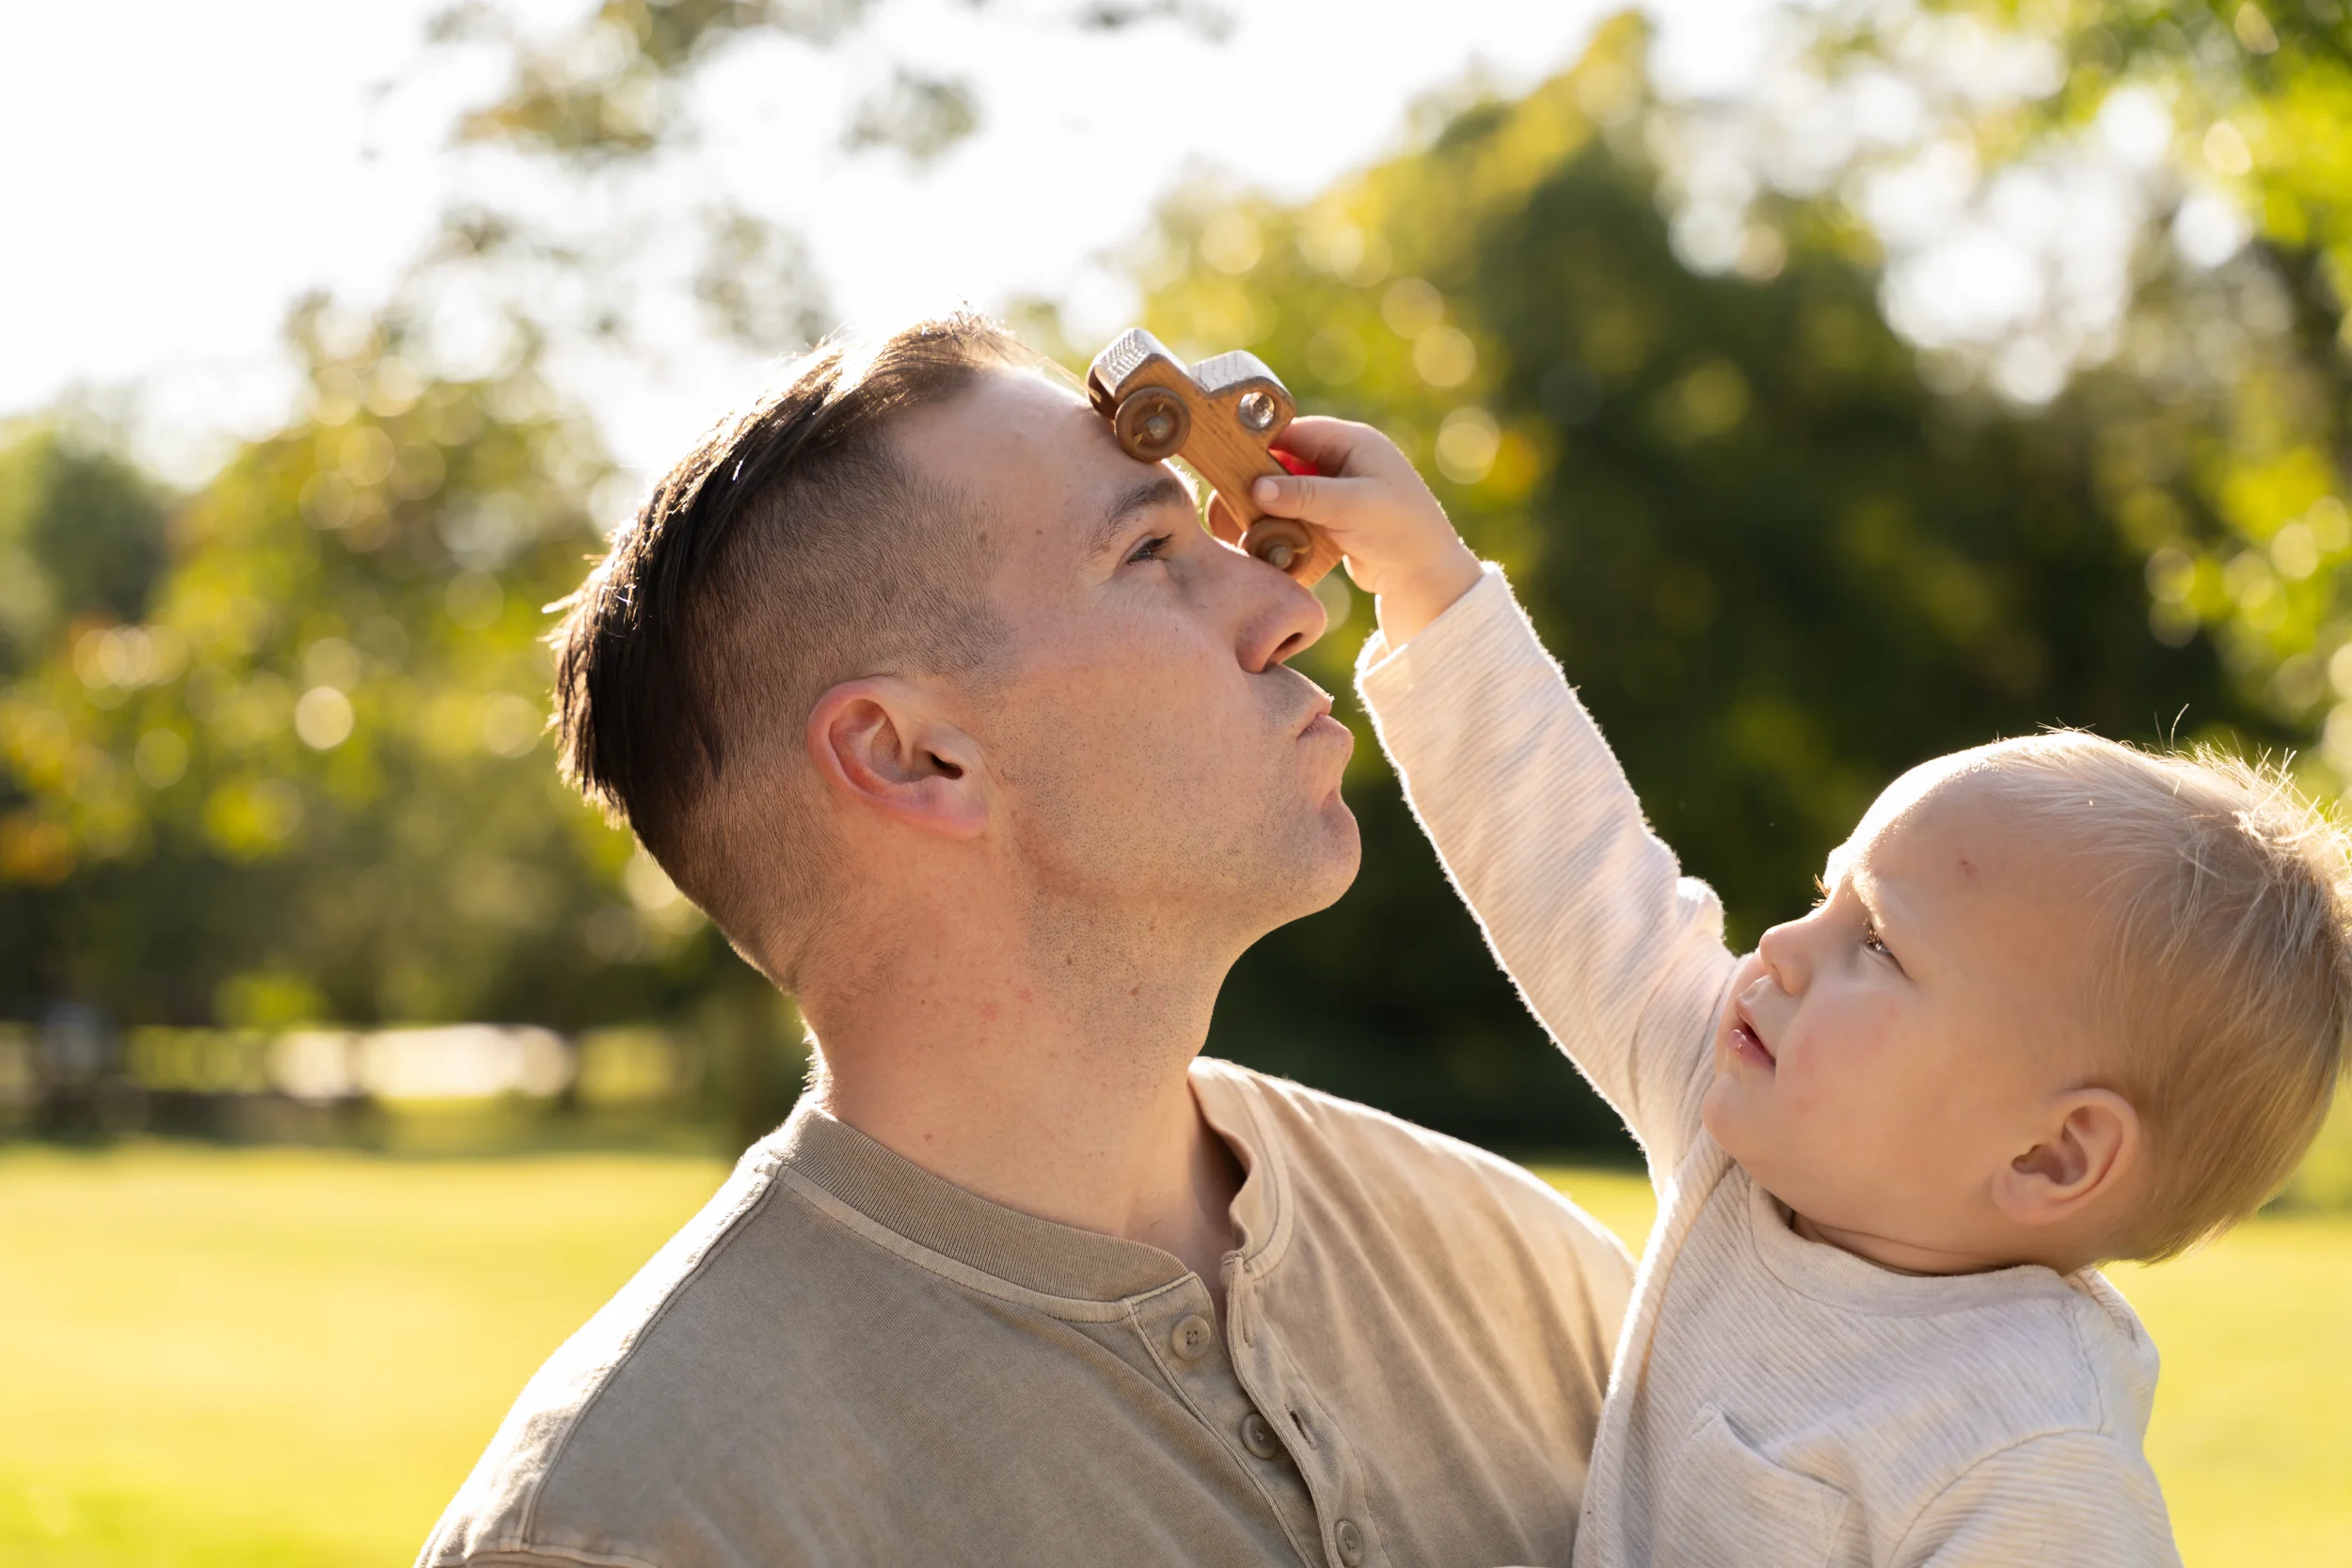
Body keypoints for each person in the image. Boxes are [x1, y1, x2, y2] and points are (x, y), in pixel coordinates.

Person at [416, 314, 1635, 1568]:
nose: (1289, 602)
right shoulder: (625, 1526)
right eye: (1152, 550)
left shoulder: (1522, 1272)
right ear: (915, 755)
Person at [1246, 418, 2352, 1565]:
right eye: (1824, 896)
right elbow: (1577, 874)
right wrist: (1428, 583)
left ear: (2050, 1156)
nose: (1777, 944)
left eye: (1874, 944)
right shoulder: (1748, 1134)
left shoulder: (2027, 1458)